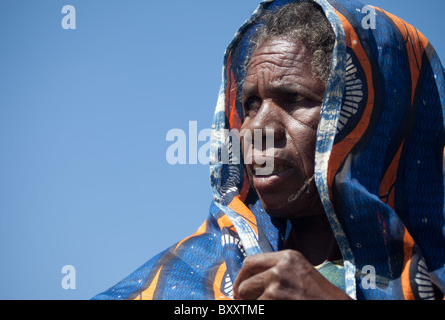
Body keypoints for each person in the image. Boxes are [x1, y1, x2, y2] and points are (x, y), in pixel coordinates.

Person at [93, 0, 445, 300]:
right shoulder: (188, 281)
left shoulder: (434, 275)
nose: (257, 130)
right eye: (249, 105)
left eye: (293, 99)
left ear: (372, 117)